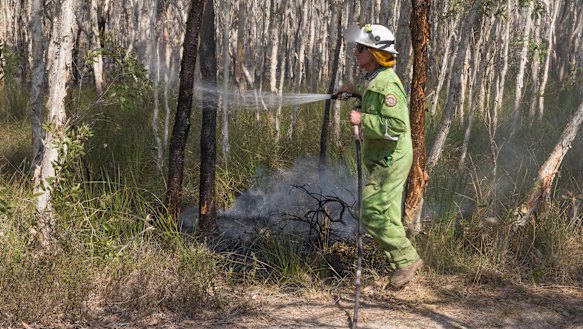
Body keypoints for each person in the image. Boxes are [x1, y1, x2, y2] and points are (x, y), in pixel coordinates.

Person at [334, 23, 423, 288]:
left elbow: (397, 126)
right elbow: (372, 94)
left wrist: (364, 119)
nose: (355, 52)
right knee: (387, 213)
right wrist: (353, 89)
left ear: (374, 52)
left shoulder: (387, 84)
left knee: (369, 210)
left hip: (391, 159)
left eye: (361, 48)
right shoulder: (374, 79)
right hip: (383, 157)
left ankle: (407, 258)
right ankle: (403, 271)